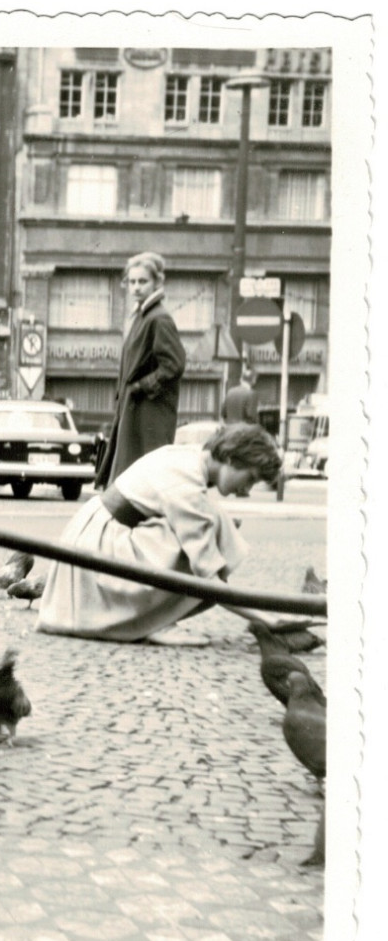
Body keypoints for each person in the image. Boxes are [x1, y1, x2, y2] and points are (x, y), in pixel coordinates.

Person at [37, 424, 282, 646]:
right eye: (250, 478)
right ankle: (155, 622)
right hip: (100, 554)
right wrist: (267, 619)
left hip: (94, 536)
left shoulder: (189, 457)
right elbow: (209, 577)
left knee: (211, 520)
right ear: (230, 458)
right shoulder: (186, 485)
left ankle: (153, 619)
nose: (247, 490)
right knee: (201, 537)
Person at [92, 252, 186, 489]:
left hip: (148, 416)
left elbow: (173, 365)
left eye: (142, 281)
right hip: (135, 411)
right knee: (131, 480)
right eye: (132, 282)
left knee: (142, 480)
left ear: (157, 282)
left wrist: (140, 387)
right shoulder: (142, 317)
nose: (136, 287)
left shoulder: (158, 318)